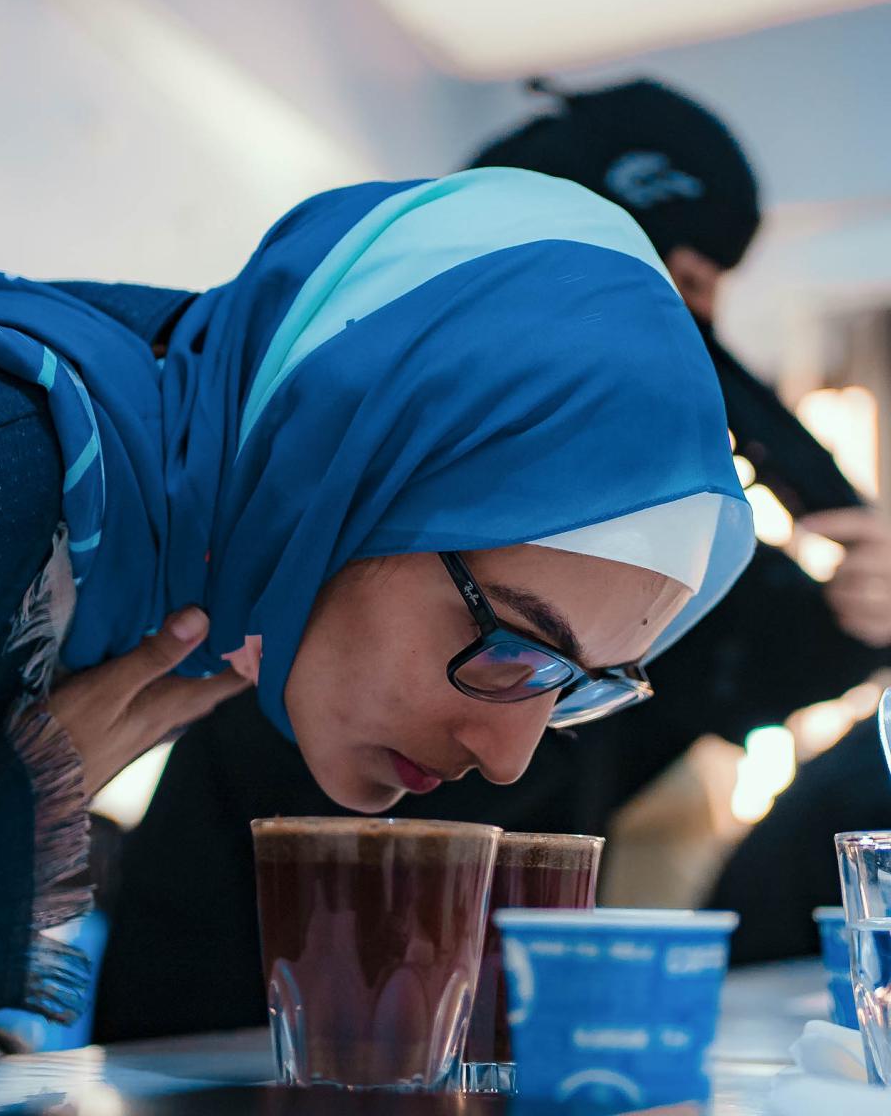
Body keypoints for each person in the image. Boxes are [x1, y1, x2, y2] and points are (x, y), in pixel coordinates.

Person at [0, 168, 750, 1081]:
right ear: (352, 471)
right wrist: (4, 821)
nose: (511, 757)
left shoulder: (143, 568)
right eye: (514, 642)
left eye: (576, 684)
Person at [93, 79, 891, 1043]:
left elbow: (753, 656)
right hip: (211, 999)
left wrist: (852, 583)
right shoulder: (263, 509)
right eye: (670, 293)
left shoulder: (648, 570)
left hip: (497, 1027)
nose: (693, 335)